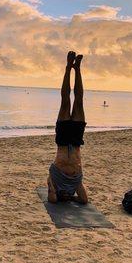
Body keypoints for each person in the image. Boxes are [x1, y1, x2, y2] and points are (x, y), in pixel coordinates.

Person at [47, 51, 88, 204]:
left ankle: (67, 68)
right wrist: (72, 197)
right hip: (76, 141)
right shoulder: (75, 186)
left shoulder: (55, 182)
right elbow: (84, 200)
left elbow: (51, 199)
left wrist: (53, 188)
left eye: (62, 197)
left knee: (65, 101)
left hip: (63, 140)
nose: (64, 197)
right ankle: (77, 69)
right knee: (79, 101)